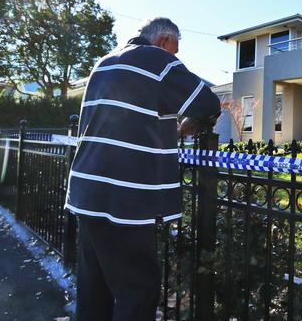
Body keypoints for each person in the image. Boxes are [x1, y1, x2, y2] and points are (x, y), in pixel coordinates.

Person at [65, 17, 221, 321]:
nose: (175, 58)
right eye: (174, 50)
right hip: (125, 198)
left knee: (93, 292)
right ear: (164, 41)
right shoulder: (157, 60)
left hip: (86, 192)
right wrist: (188, 126)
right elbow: (208, 103)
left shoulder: (104, 63)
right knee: (138, 292)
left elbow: (123, 120)